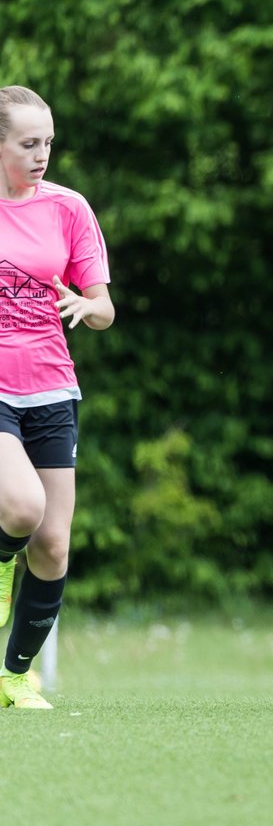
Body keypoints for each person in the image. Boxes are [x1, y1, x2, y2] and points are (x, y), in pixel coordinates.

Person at [0, 85, 116, 709]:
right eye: (28, 143)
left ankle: (14, 677)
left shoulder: (69, 208)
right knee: (20, 509)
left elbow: (104, 307)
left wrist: (86, 305)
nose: (43, 153)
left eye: (48, 141)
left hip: (51, 386)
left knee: (51, 544)